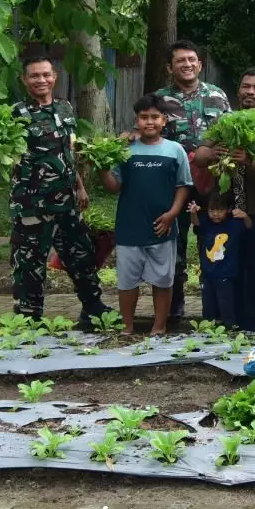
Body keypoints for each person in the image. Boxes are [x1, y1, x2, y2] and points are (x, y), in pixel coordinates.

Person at [7, 54, 109, 328]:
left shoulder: (65, 108)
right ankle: (29, 317)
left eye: (46, 75)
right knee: (29, 260)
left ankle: (93, 307)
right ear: (24, 79)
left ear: (55, 77)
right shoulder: (16, 114)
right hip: (32, 202)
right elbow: (2, 154)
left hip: (67, 200)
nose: (41, 80)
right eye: (34, 76)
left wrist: (80, 186)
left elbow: (69, 152)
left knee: (80, 253)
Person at [196, 68, 255, 331]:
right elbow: (199, 156)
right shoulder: (225, 121)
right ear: (238, 91)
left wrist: (250, 161)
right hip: (223, 209)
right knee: (225, 264)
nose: (250, 92)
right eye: (246, 86)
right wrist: (213, 152)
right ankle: (228, 319)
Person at [98, 95, 192, 334]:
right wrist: (100, 166)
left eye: (154, 117)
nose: (149, 122)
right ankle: (127, 326)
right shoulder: (125, 150)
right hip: (129, 227)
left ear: (164, 121)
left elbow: (183, 186)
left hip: (163, 227)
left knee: (163, 280)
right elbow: (113, 186)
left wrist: (172, 214)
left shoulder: (175, 150)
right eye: (143, 117)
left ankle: (159, 327)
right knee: (127, 282)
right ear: (136, 120)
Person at [154, 40, 231, 325]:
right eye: (180, 61)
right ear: (169, 67)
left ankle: (214, 308)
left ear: (200, 64)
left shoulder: (218, 96)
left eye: (191, 59)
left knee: (213, 244)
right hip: (172, 184)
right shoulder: (160, 100)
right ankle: (173, 309)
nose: (187, 64)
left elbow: (229, 135)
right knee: (173, 245)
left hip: (211, 185)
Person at [190, 195, 250, 327]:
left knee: (226, 302)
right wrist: (194, 213)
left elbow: (249, 227)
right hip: (208, 273)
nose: (215, 214)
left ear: (228, 209)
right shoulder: (206, 223)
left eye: (219, 210)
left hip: (226, 273)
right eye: (212, 210)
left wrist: (245, 216)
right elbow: (196, 223)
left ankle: (231, 326)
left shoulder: (234, 224)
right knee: (208, 303)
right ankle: (208, 327)